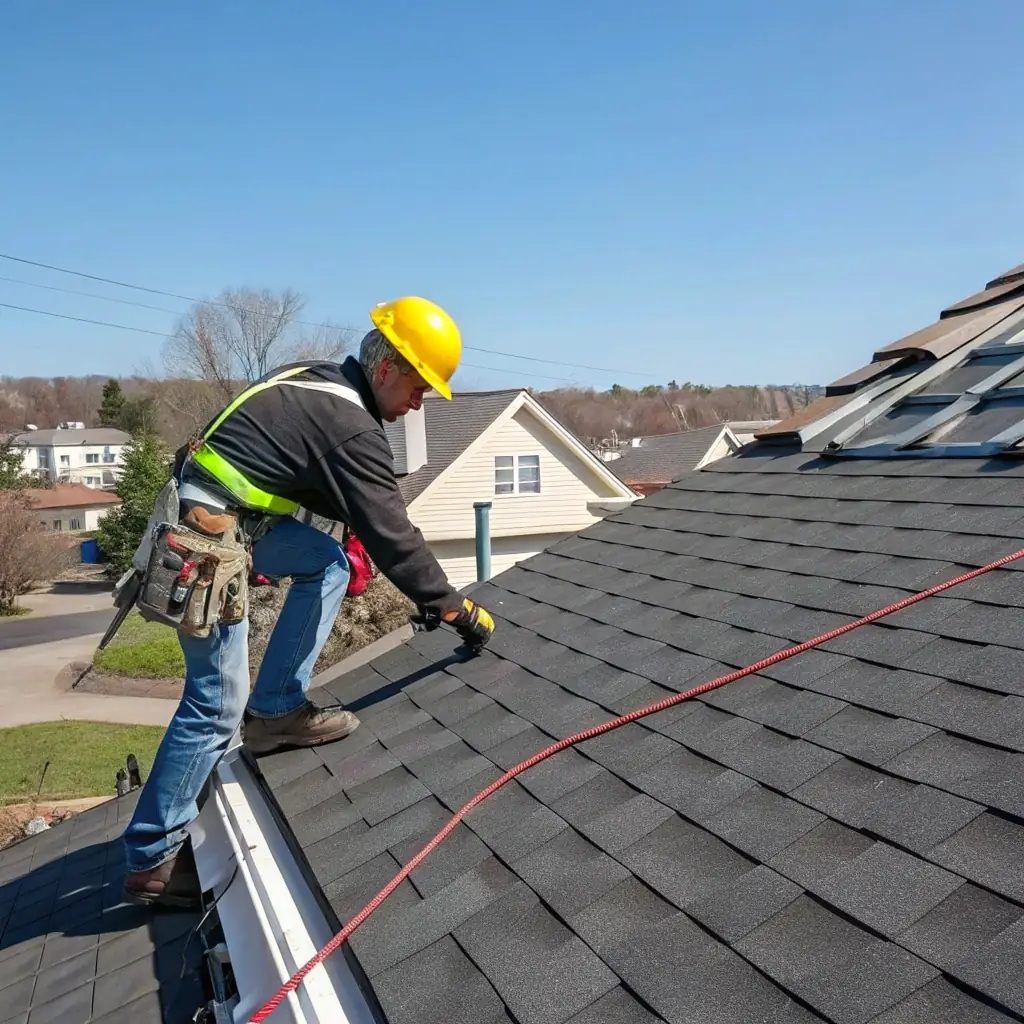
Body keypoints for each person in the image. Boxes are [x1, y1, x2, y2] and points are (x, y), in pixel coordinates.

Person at [122, 296, 496, 908]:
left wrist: (351, 530)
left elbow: (307, 480)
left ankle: (276, 714)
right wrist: (455, 607)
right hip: (204, 540)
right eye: (420, 386)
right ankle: (153, 861)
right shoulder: (350, 425)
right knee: (216, 702)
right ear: (386, 370)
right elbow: (393, 533)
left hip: (226, 520)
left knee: (324, 562)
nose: (418, 403)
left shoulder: (318, 382)